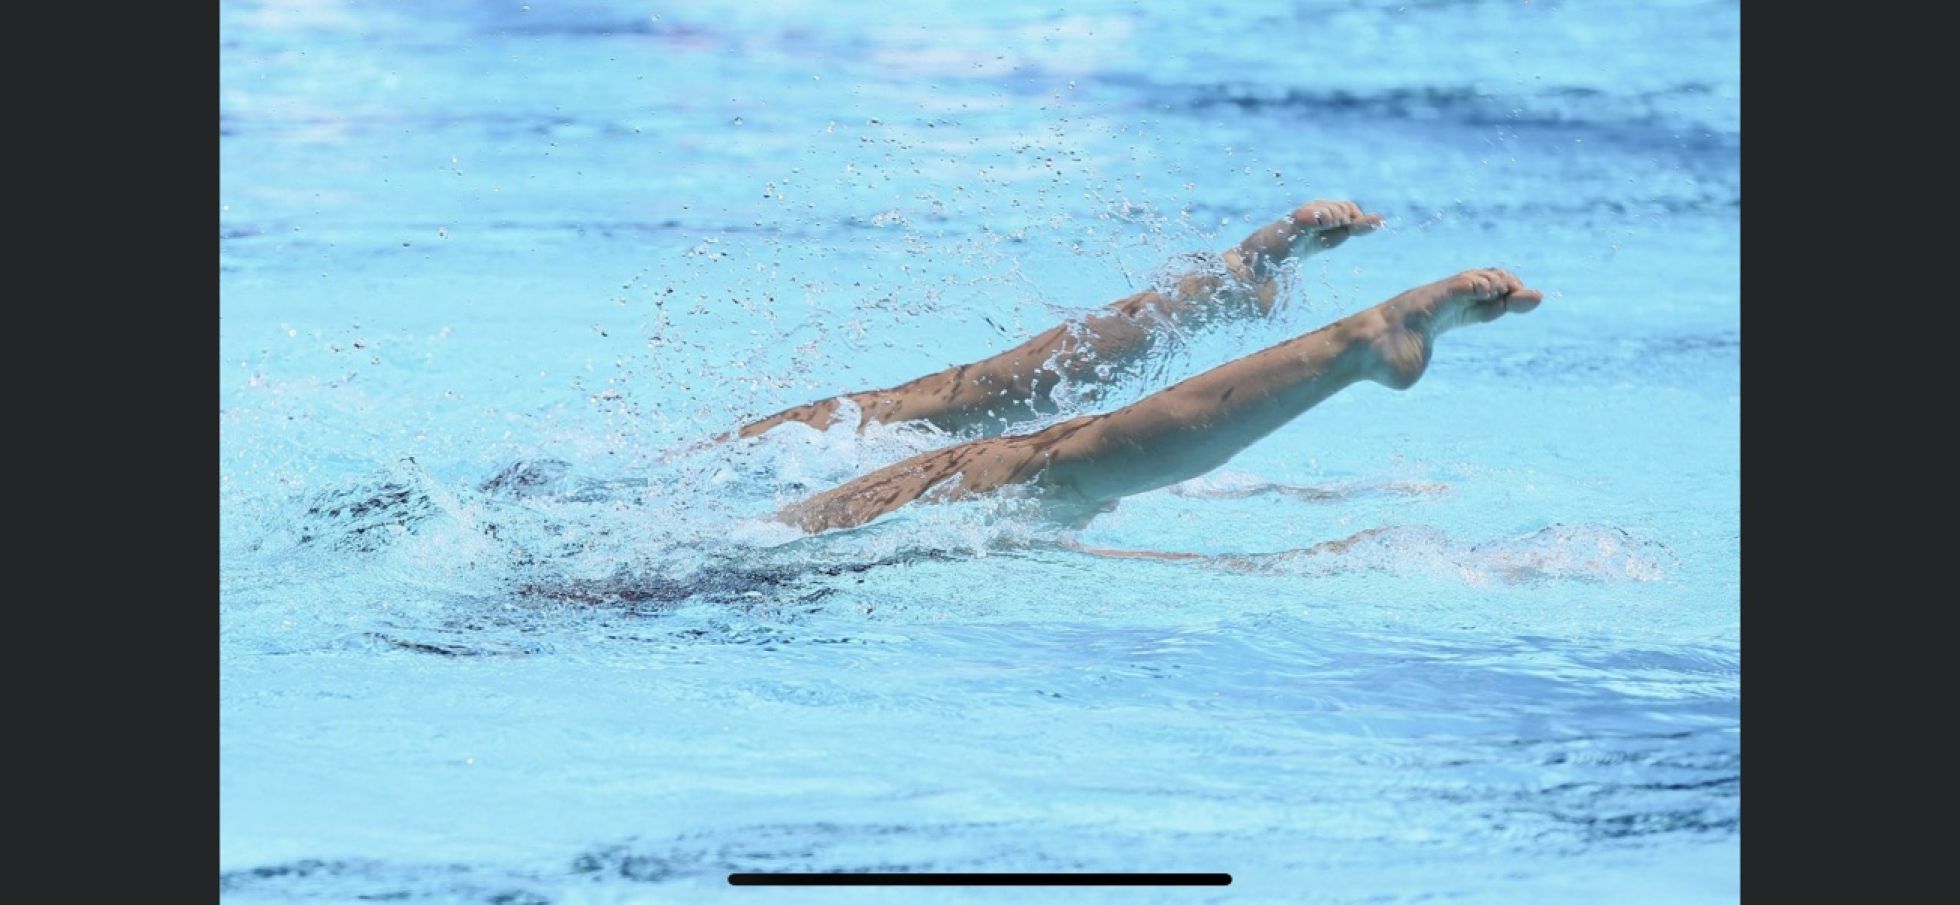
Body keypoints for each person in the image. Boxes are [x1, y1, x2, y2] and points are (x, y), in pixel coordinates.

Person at [727, 199, 1545, 536]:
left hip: (695, 544)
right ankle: (1334, 340)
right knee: (1010, 458)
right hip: (713, 562)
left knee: (889, 416)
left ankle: (1224, 291)